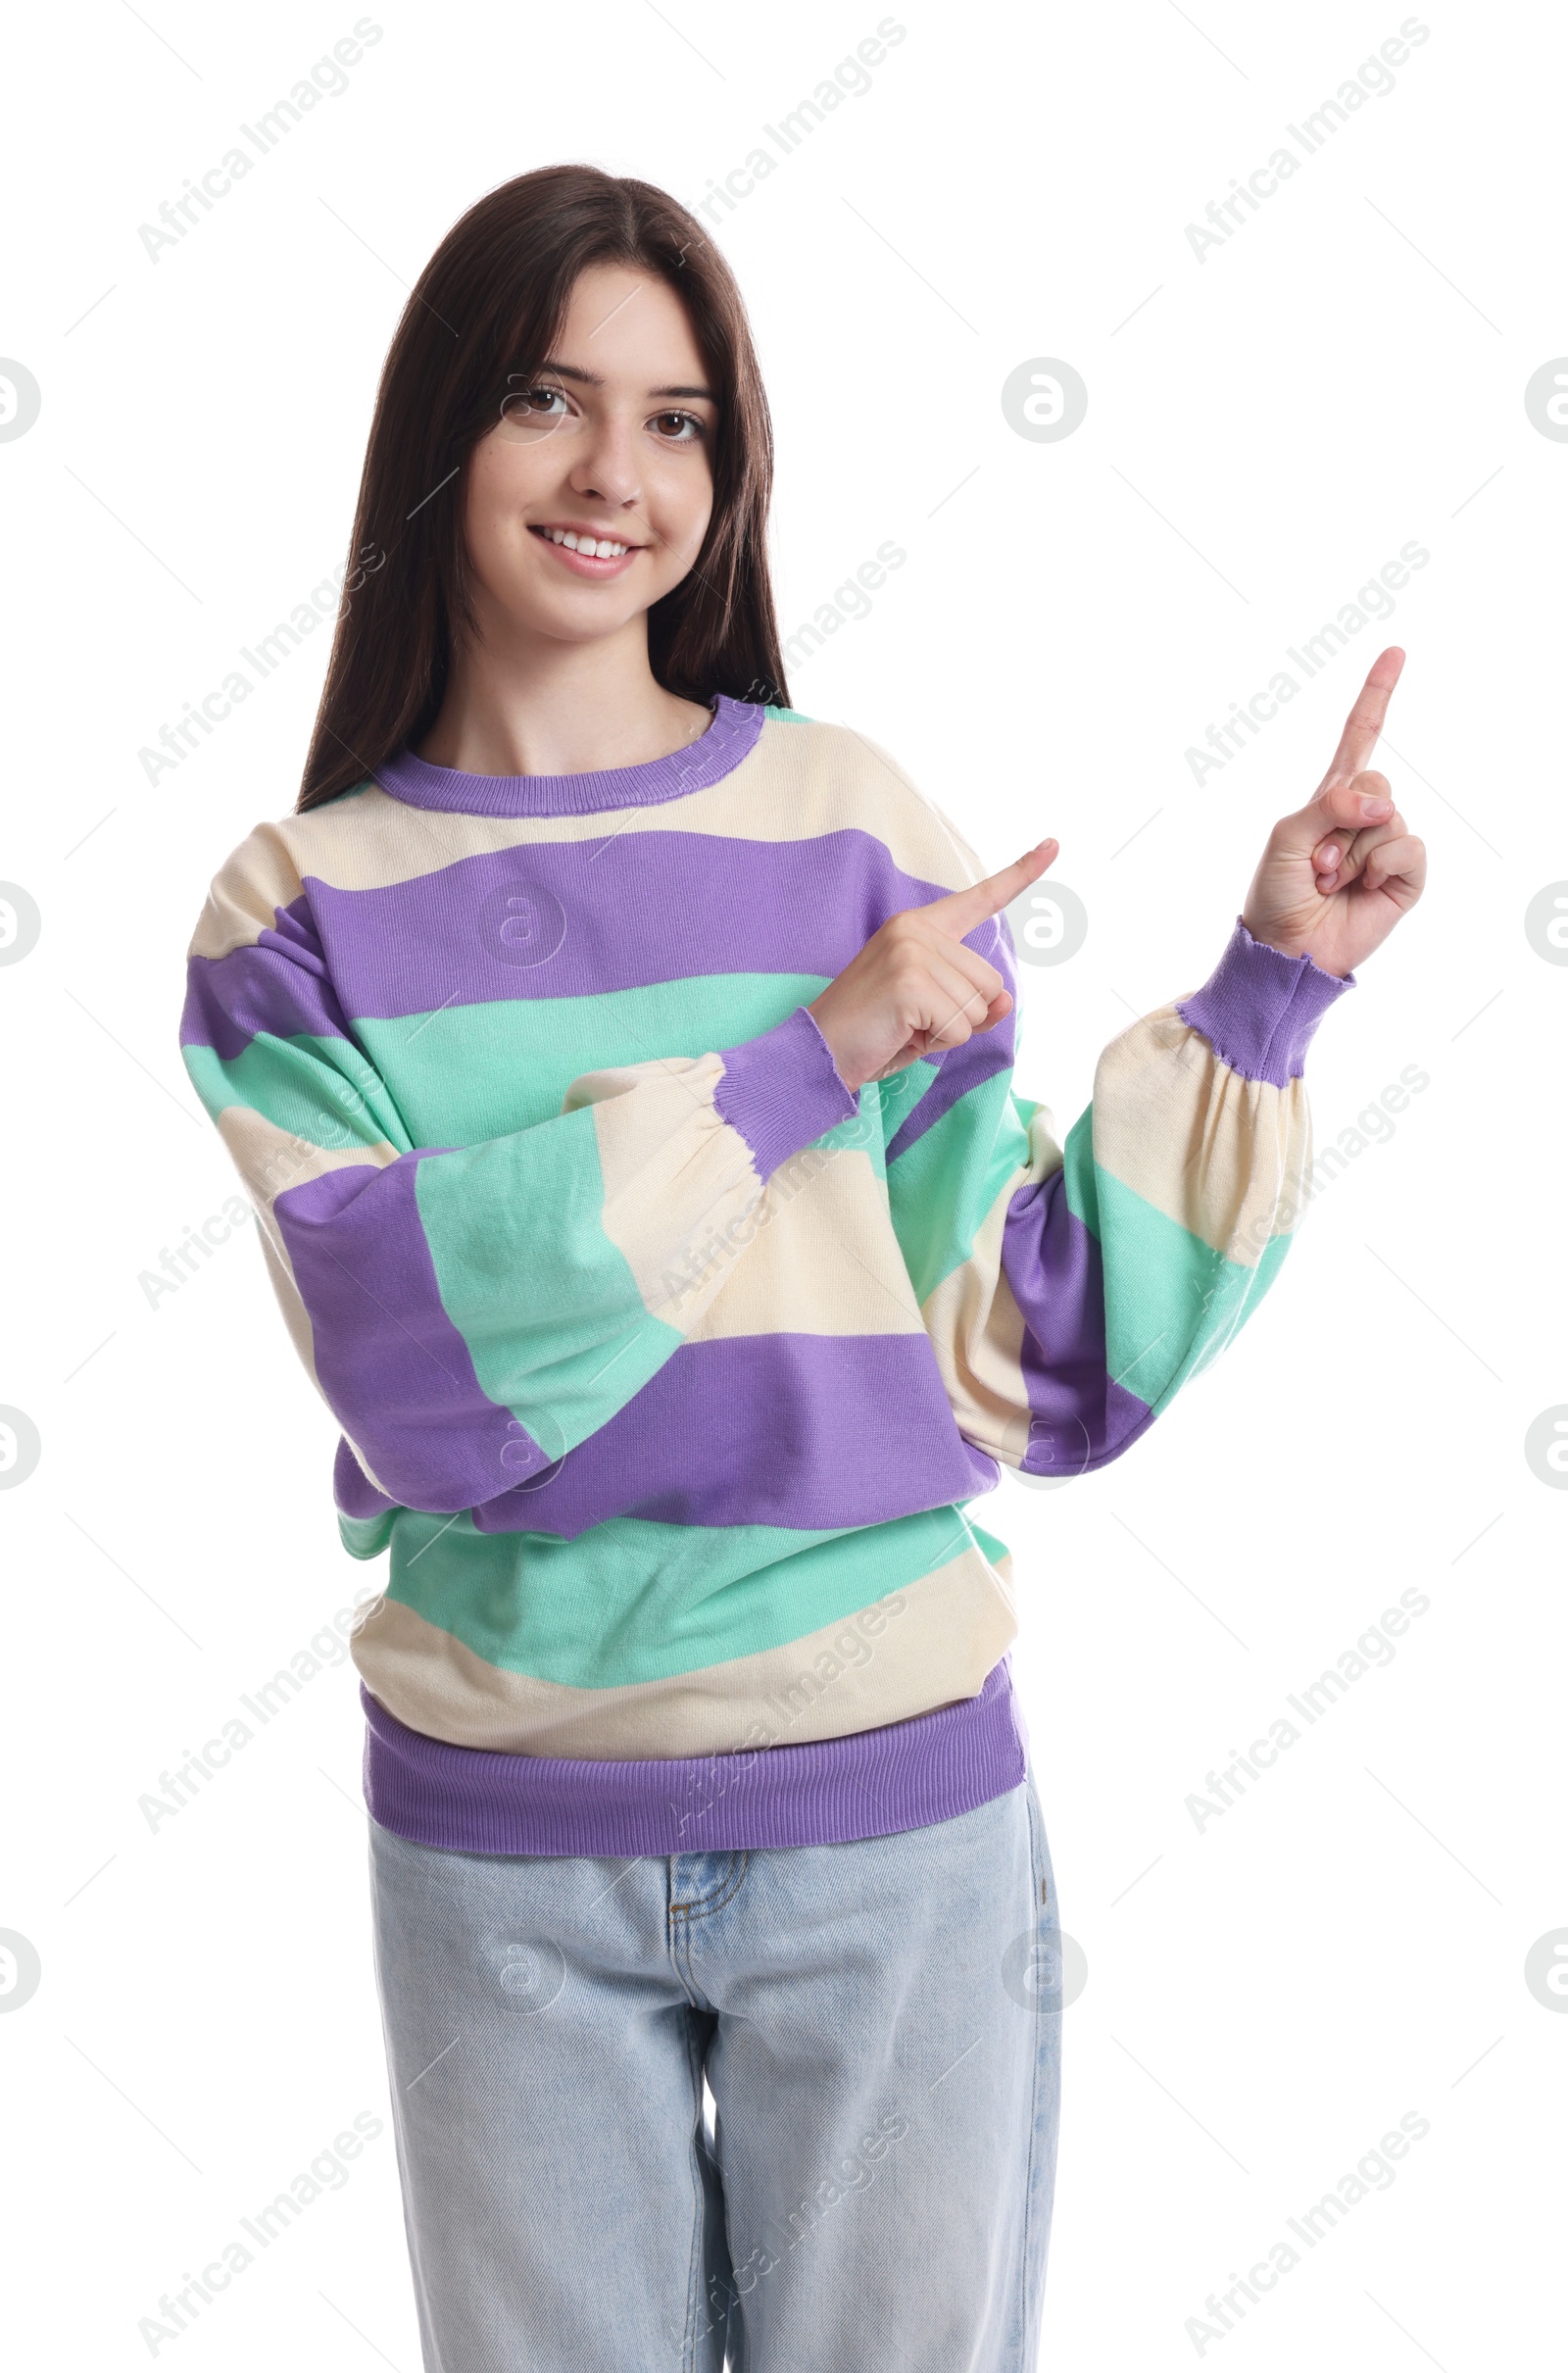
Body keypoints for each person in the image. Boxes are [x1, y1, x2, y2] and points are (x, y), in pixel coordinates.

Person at [177, 165, 1426, 2372]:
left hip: (887, 1807)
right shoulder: (295, 908)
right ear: (440, 435)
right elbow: (407, 1358)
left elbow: (1021, 1368)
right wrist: (792, 1066)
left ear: (729, 473)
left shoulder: (850, 826)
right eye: (549, 400)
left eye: (678, 422)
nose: (610, 473)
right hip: (499, 1836)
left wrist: (1261, 999)